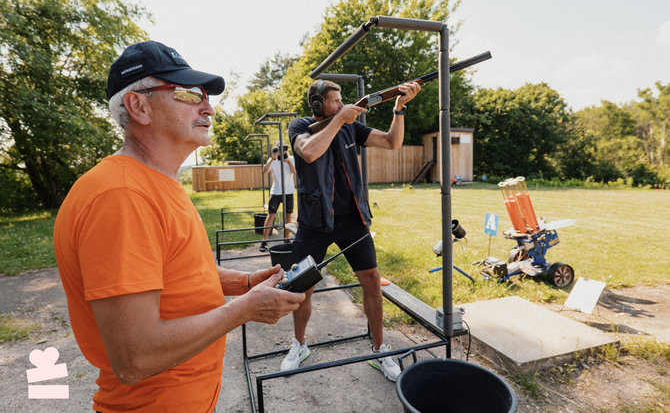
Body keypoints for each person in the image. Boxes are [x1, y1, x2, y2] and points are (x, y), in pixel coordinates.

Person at [53, 40, 305, 413]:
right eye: (188, 94)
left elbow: (179, 270)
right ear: (138, 106)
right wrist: (244, 309)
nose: (209, 108)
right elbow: (135, 357)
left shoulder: (156, 182)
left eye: (206, 96)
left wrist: (246, 283)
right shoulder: (121, 196)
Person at [283, 78, 421, 381]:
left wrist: (399, 108)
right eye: (335, 101)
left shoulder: (350, 126)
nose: (342, 105)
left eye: (342, 100)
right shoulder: (300, 126)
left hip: (353, 219)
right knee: (304, 287)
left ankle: (379, 349)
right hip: (315, 221)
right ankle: (299, 345)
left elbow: (391, 142)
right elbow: (308, 153)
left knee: (371, 281)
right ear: (319, 105)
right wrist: (339, 120)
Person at [259, 142, 297, 252]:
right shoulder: (273, 160)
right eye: (279, 148)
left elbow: (295, 172)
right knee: (271, 215)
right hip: (276, 192)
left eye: (284, 148)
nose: (281, 150)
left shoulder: (291, 158)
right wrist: (272, 159)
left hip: (288, 191)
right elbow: (264, 171)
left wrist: (288, 161)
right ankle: (264, 241)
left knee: (288, 216)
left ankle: (287, 239)